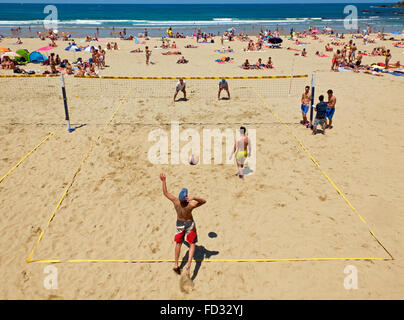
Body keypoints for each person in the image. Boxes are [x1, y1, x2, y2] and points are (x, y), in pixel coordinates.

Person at [159, 173, 206, 277]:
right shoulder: (191, 205)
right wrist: (194, 197)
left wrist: (163, 181)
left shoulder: (176, 201)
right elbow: (203, 201)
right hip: (189, 224)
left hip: (180, 224)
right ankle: (188, 265)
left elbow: (165, 193)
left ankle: (176, 264)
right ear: (186, 198)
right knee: (192, 244)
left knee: (178, 243)